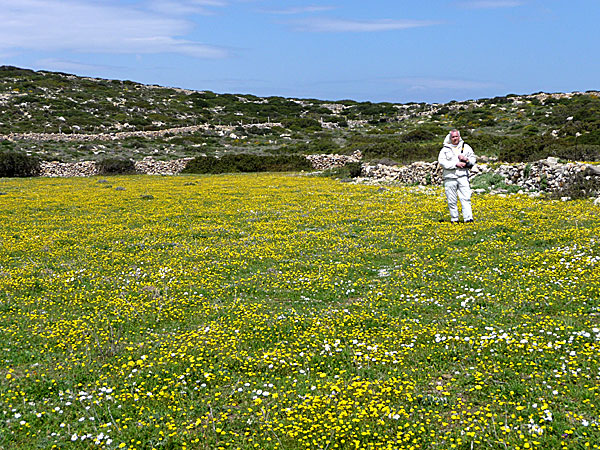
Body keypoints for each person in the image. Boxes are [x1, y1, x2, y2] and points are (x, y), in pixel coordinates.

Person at [438, 129, 476, 223]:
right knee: (452, 199)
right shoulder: (445, 149)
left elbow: (473, 159)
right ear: (450, 138)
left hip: (463, 176)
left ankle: (468, 219)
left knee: (466, 197)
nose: (455, 138)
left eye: (456, 136)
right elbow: (442, 162)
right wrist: (456, 164)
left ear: (459, 137)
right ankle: (454, 219)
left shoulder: (466, 147)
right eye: (453, 137)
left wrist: (466, 160)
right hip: (450, 177)